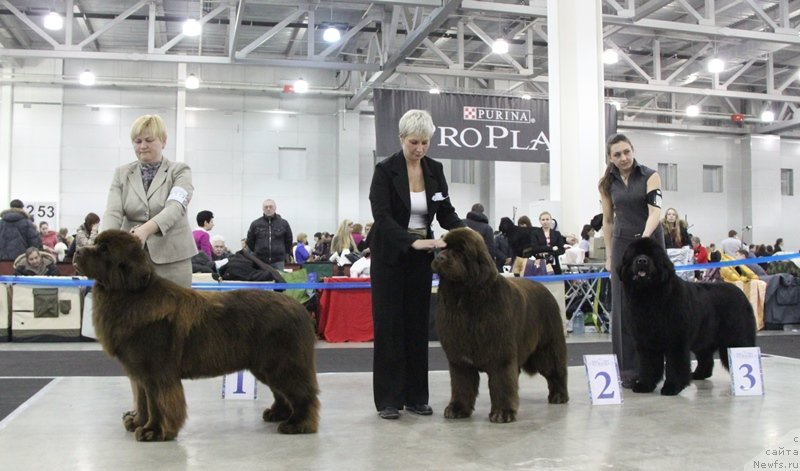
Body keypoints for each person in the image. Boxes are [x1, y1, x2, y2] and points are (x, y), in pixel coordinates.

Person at [368, 109, 464, 420]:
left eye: (425, 142)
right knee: (389, 327)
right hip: (390, 256)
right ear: (401, 138)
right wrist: (411, 241)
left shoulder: (435, 170)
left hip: (421, 259)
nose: (420, 148)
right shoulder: (385, 170)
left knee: (417, 326)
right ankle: (388, 399)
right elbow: (382, 218)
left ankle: (416, 396)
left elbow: (445, 211)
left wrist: (465, 231)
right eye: (414, 142)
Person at [599, 133, 664, 388]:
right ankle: (626, 370)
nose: (624, 158)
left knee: (655, 307)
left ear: (632, 151)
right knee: (623, 308)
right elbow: (608, 221)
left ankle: (654, 368)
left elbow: (655, 212)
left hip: (649, 243)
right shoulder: (606, 184)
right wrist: (609, 255)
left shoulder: (651, 176)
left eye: (627, 152)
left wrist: (644, 240)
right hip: (622, 246)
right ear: (610, 158)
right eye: (617, 154)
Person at [102, 114, 196, 288]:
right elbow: (113, 212)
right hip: (131, 261)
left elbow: (175, 207)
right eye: (137, 141)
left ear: (163, 141)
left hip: (173, 262)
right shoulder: (121, 173)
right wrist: (103, 244)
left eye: (149, 140)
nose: (143, 146)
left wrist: (145, 230)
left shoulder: (180, 171)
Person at [246, 199, 293, 270]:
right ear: (263, 209)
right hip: (260, 261)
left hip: (278, 261)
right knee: (260, 277)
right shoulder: (255, 224)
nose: (268, 209)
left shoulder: (284, 223)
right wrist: (258, 251)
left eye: (271, 207)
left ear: (275, 208)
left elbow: (289, 240)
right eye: (266, 207)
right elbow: (250, 241)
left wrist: (282, 253)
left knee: (278, 277)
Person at [463, 203, 499, 269]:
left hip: (460, 263)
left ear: (471, 210)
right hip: (478, 264)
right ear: (482, 212)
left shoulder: (461, 224)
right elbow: (490, 250)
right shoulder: (487, 228)